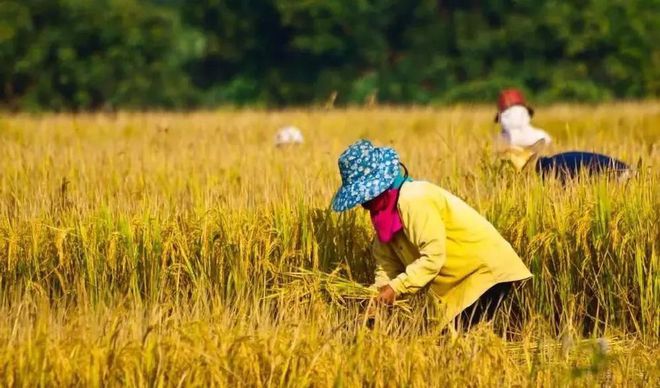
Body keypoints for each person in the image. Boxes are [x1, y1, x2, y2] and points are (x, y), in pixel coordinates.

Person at [331, 140, 533, 329]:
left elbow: (433, 257)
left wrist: (395, 288)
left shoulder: (414, 199)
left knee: (457, 349)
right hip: (461, 282)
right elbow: (386, 264)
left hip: (484, 272)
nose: (362, 203)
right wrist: (376, 296)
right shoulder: (382, 215)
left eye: (363, 195)